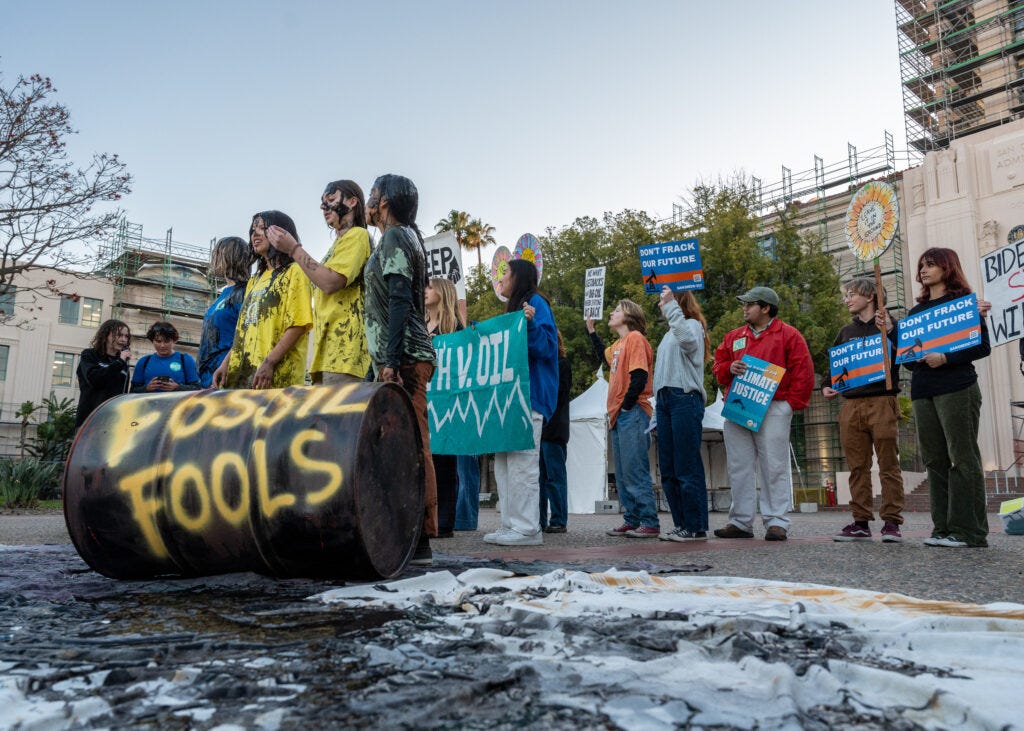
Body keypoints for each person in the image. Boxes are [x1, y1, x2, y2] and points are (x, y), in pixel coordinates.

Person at [364, 174, 438, 565]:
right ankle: (411, 533)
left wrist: (391, 360)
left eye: (372, 192)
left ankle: (421, 536)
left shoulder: (396, 237)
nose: (368, 198)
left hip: (406, 357)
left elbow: (397, 299)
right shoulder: (400, 237)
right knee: (402, 444)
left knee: (412, 444)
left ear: (385, 201)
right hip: (400, 356)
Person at [904, 247, 991, 548]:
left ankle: (969, 531)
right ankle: (941, 529)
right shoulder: (915, 313)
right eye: (921, 266)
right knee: (935, 461)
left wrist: (946, 357)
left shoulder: (965, 305)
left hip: (957, 387)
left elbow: (981, 348)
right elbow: (905, 359)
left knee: (962, 458)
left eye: (930, 265)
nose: (924, 270)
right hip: (923, 391)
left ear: (947, 267)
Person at [712, 286, 814, 541]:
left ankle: (777, 521)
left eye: (750, 304)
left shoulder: (789, 335)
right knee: (738, 466)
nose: (744, 308)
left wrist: (791, 404)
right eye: (744, 304)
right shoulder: (734, 336)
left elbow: (803, 371)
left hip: (774, 406)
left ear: (766, 308)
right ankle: (740, 521)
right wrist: (728, 367)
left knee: (774, 465)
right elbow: (718, 367)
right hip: (738, 405)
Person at [265, 180, 371, 385]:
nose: (324, 207)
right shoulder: (337, 244)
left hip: (345, 355)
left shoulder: (358, 235)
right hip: (328, 355)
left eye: (331, 200)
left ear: (352, 202)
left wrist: (293, 249)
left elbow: (330, 282)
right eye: (323, 202)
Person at [823, 277, 905, 543]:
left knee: (888, 465)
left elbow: (904, 354)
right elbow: (836, 365)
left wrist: (891, 329)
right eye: (846, 295)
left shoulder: (892, 326)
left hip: (882, 400)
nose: (847, 299)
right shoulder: (846, 331)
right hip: (851, 404)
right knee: (857, 466)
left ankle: (892, 522)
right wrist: (827, 385)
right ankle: (860, 521)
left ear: (870, 297)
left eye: (852, 294)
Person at [484, 259, 558, 546]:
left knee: (523, 463)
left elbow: (548, 347)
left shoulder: (538, 303)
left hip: (530, 395)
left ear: (520, 277)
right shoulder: (515, 308)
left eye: (507, 273)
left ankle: (528, 528)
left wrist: (529, 326)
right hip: (510, 398)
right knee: (503, 463)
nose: (503, 277)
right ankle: (510, 523)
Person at [212, 211, 313, 390]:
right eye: (253, 230)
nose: (255, 234)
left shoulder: (295, 272)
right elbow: (243, 329)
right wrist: (226, 363)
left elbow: (298, 325)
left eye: (263, 228)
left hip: (276, 377)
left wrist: (270, 363)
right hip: (243, 375)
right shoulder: (254, 280)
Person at [587, 300, 659, 538]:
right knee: (623, 471)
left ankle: (649, 521)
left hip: (633, 411)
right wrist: (591, 330)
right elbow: (604, 356)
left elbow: (639, 375)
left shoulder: (635, 338)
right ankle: (632, 518)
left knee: (635, 468)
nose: (611, 312)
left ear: (629, 316)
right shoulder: (619, 344)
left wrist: (627, 406)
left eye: (617, 310)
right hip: (619, 414)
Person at [654, 286, 711, 542]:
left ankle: (695, 525)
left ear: (678, 301)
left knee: (687, 464)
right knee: (668, 467)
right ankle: (681, 523)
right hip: (666, 399)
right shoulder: (669, 334)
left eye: (665, 300)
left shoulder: (692, 326)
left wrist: (671, 308)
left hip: (685, 397)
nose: (660, 304)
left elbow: (688, 342)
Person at [425, 277, 463, 538]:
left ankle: (445, 521)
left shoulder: (454, 328)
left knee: (445, 461)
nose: (425, 291)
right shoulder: (418, 325)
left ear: (443, 292)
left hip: (447, 403)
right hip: (422, 399)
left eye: (429, 287)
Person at [198, 236, 252, 388]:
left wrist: (227, 365)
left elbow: (247, 334)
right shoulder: (224, 293)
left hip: (227, 376)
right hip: (207, 376)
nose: (213, 259)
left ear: (230, 257)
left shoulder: (244, 292)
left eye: (216, 254)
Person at [540, 331, 571, 533]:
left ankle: (559, 519)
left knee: (554, 477)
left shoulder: (562, 364)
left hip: (553, 429)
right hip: (541, 430)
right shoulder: (543, 367)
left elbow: (559, 394)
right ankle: (539, 519)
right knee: (539, 479)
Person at [75, 319, 132, 429]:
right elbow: (95, 380)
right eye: (119, 335)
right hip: (90, 420)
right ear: (106, 335)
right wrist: (119, 362)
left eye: (126, 336)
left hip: (113, 421)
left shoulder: (123, 363)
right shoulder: (89, 355)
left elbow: (123, 392)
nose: (123, 340)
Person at [130, 321, 201, 393]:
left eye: (166, 341)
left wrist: (178, 387)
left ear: (174, 340)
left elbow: (197, 388)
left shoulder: (186, 360)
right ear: (152, 341)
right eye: (158, 341)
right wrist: (147, 388)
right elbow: (132, 390)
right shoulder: (143, 362)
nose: (162, 345)